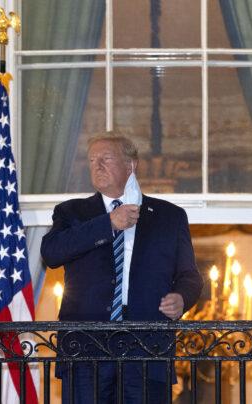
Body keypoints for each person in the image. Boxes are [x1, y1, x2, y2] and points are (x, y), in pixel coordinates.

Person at [40, 132, 203, 403]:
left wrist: (182, 297)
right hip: (85, 349)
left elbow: (189, 276)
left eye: (106, 158)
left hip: (148, 348)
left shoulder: (170, 216)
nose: (97, 166)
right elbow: (51, 253)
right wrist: (108, 223)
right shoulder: (71, 212)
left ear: (131, 165)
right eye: (92, 160)